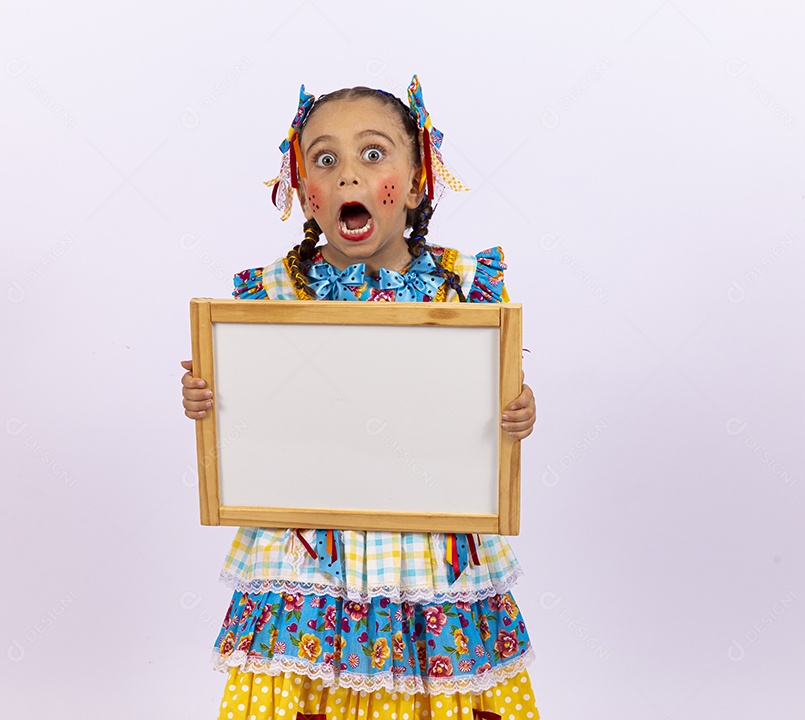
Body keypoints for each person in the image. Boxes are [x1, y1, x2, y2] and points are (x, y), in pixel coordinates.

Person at [180, 76, 540, 720]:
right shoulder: (269, 297)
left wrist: (517, 411)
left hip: (431, 551)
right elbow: (253, 418)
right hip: (307, 554)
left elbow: (486, 404)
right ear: (304, 193)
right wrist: (212, 399)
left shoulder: (464, 290)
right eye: (325, 159)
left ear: (418, 180)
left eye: (373, 154)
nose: (348, 174)